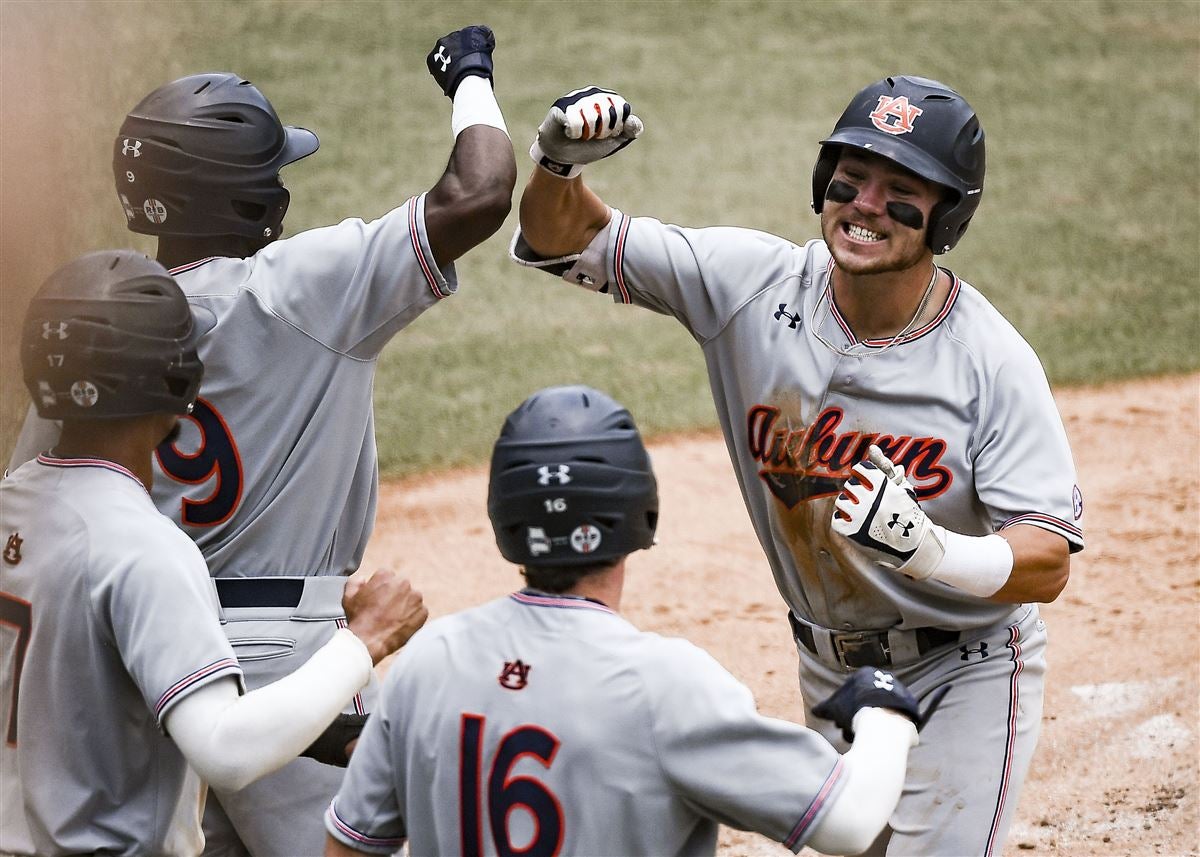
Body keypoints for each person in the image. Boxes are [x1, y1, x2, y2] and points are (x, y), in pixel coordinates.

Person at [511, 78, 1084, 855]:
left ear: (946, 215)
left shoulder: (991, 361)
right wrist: (556, 166)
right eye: (854, 176)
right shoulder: (749, 284)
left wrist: (934, 551)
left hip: (966, 671)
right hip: (830, 669)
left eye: (901, 188)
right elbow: (560, 239)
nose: (867, 203)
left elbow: (1046, 559)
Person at [7, 25, 516, 857]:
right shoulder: (306, 288)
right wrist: (470, 73)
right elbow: (479, 193)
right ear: (252, 202)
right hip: (289, 657)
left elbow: (43, 509)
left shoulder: (97, 331)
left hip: (140, 652)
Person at [323, 384, 949, 856]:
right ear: (639, 512)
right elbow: (851, 820)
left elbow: (347, 846)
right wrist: (884, 713)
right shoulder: (664, 686)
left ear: (504, 517)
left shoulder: (427, 665)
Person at [0, 250, 426, 856]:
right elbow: (225, 749)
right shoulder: (142, 548)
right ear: (179, 384)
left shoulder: (13, 507)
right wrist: (367, 640)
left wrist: (308, 733)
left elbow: (83, 700)